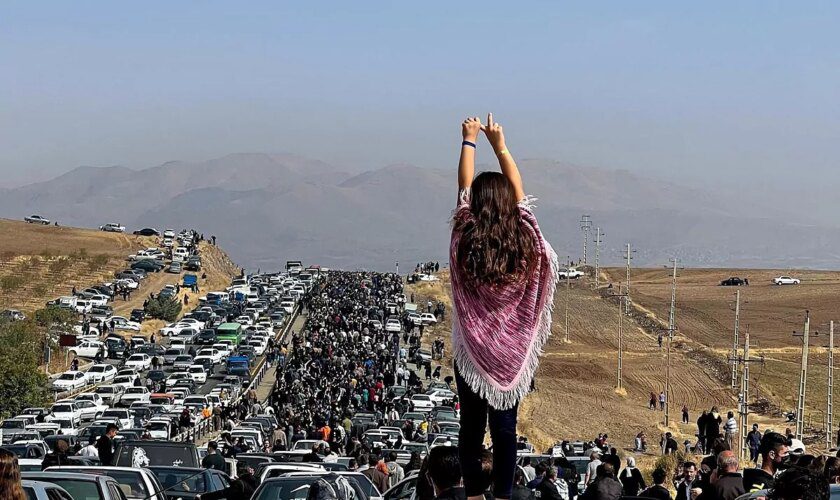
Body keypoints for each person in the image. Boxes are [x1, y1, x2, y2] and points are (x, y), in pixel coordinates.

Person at [450, 114, 557, 500]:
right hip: (511, 356)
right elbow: (520, 192)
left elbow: (464, 187)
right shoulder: (526, 240)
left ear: (476, 204)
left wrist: (469, 140)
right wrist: (501, 144)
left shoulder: (464, 236)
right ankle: (503, 495)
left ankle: (475, 494)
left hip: (471, 354)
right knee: (505, 428)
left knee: (471, 428)